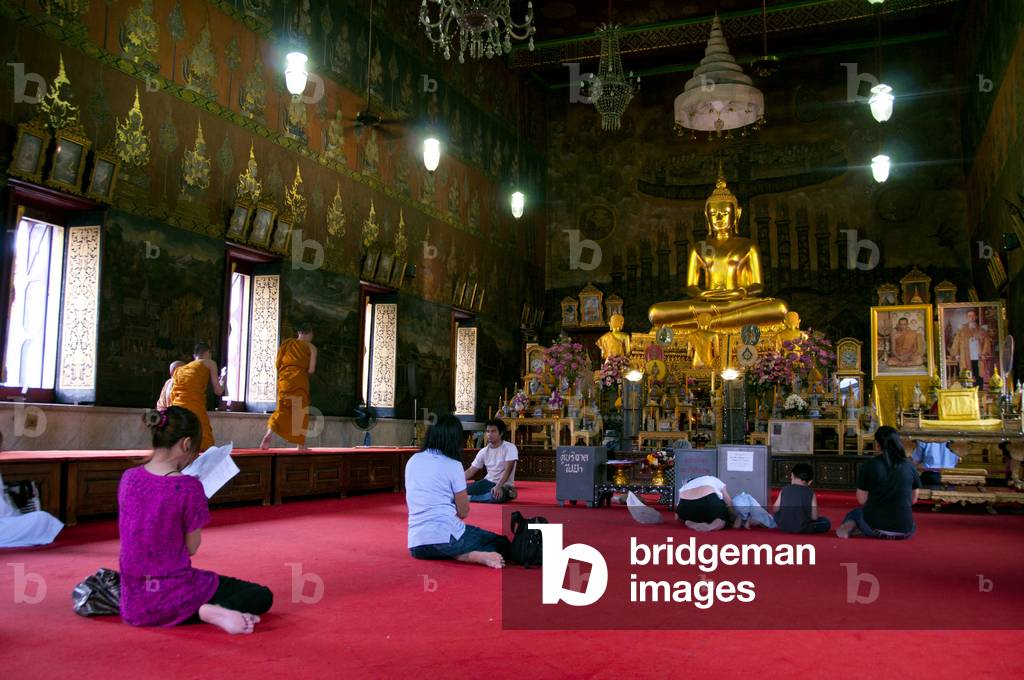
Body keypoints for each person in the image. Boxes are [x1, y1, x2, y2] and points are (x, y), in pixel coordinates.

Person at [119, 407, 273, 633]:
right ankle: (206, 610)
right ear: (186, 444)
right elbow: (191, 548)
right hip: (174, 589)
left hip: (133, 600)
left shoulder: (129, 477)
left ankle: (200, 609)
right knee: (261, 595)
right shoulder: (187, 487)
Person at [406, 414, 511, 568]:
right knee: (500, 542)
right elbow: (463, 512)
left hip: (417, 544)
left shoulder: (413, 460)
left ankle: (470, 555)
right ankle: (475, 554)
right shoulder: (453, 464)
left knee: (445, 545)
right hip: (446, 535)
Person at [837, 425, 921, 539]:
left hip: (875, 529)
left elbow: (862, 500)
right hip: (905, 531)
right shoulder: (910, 466)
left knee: (856, 513)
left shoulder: (870, 465)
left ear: (877, 445)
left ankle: (849, 529)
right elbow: (913, 500)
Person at [260, 324, 318, 450]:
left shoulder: (286, 343)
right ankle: (300, 445)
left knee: (282, 409)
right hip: (300, 381)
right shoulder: (311, 347)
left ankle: (269, 433)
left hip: (285, 380)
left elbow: (278, 364)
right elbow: (311, 370)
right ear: (309, 333)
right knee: (300, 412)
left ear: (299, 332)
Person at [170, 343, 226, 452]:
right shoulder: (210, 363)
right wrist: (223, 378)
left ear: (194, 355)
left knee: (182, 440)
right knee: (203, 441)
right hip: (194, 408)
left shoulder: (181, 369)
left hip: (177, 409)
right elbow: (218, 391)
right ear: (208, 353)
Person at [464, 419, 519, 503]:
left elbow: (508, 470)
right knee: (460, 490)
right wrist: (456, 482)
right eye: (488, 431)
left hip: (504, 485)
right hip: (487, 482)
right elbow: (470, 471)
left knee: (496, 497)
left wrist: (498, 486)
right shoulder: (483, 451)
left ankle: (470, 498)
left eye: (493, 431)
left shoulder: (510, 448)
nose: (489, 434)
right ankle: (482, 497)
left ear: (501, 433)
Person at [771, 462, 831, 534]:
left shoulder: (784, 489)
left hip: (783, 526)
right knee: (826, 522)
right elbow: (814, 517)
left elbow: (775, 509)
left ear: (792, 475)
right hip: (802, 528)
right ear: (810, 482)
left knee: (777, 515)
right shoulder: (810, 493)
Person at [949, 310, 993, 388]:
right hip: (965, 358)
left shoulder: (981, 330)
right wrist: (956, 354)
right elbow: (956, 342)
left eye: (973, 316)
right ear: (967, 318)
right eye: (969, 316)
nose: (971, 318)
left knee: (978, 378)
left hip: (978, 358)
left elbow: (986, 343)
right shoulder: (962, 330)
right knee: (966, 379)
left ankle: (979, 394)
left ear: (975, 317)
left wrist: (984, 354)